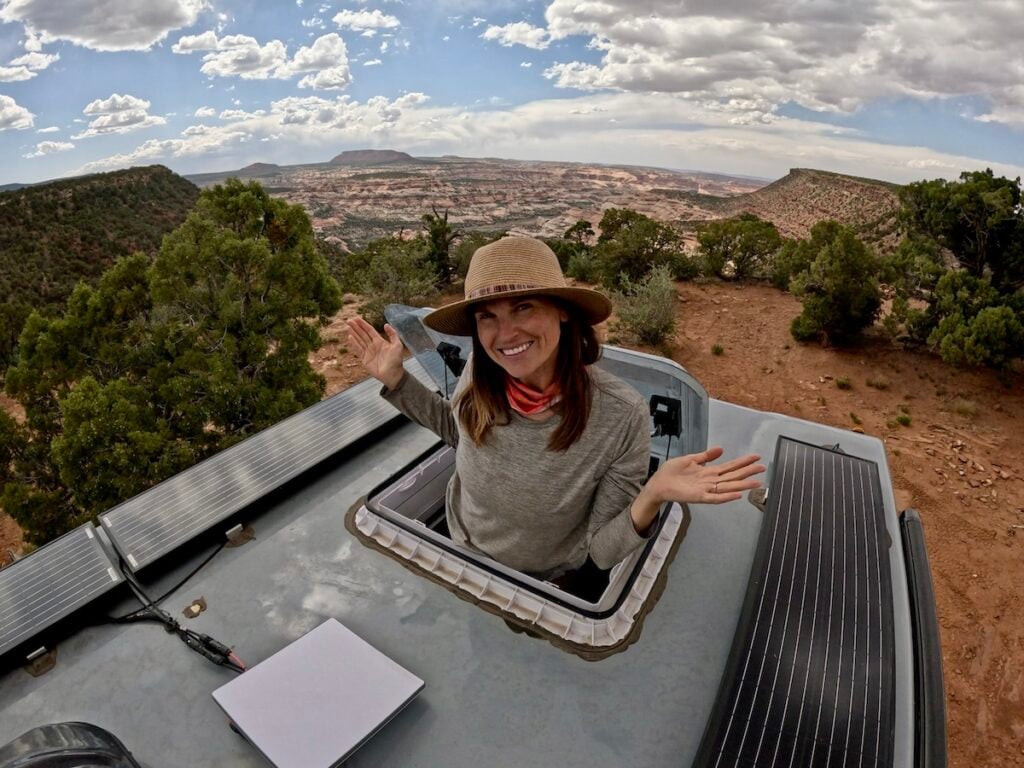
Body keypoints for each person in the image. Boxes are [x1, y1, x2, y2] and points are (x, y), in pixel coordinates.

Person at [346, 236, 763, 587]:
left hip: (536, 582)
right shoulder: (481, 369)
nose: (505, 334)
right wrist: (397, 381)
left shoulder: (621, 416)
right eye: (487, 316)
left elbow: (600, 551)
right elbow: (462, 436)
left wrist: (652, 495)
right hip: (456, 551)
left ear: (563, 312)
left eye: (524, 307)